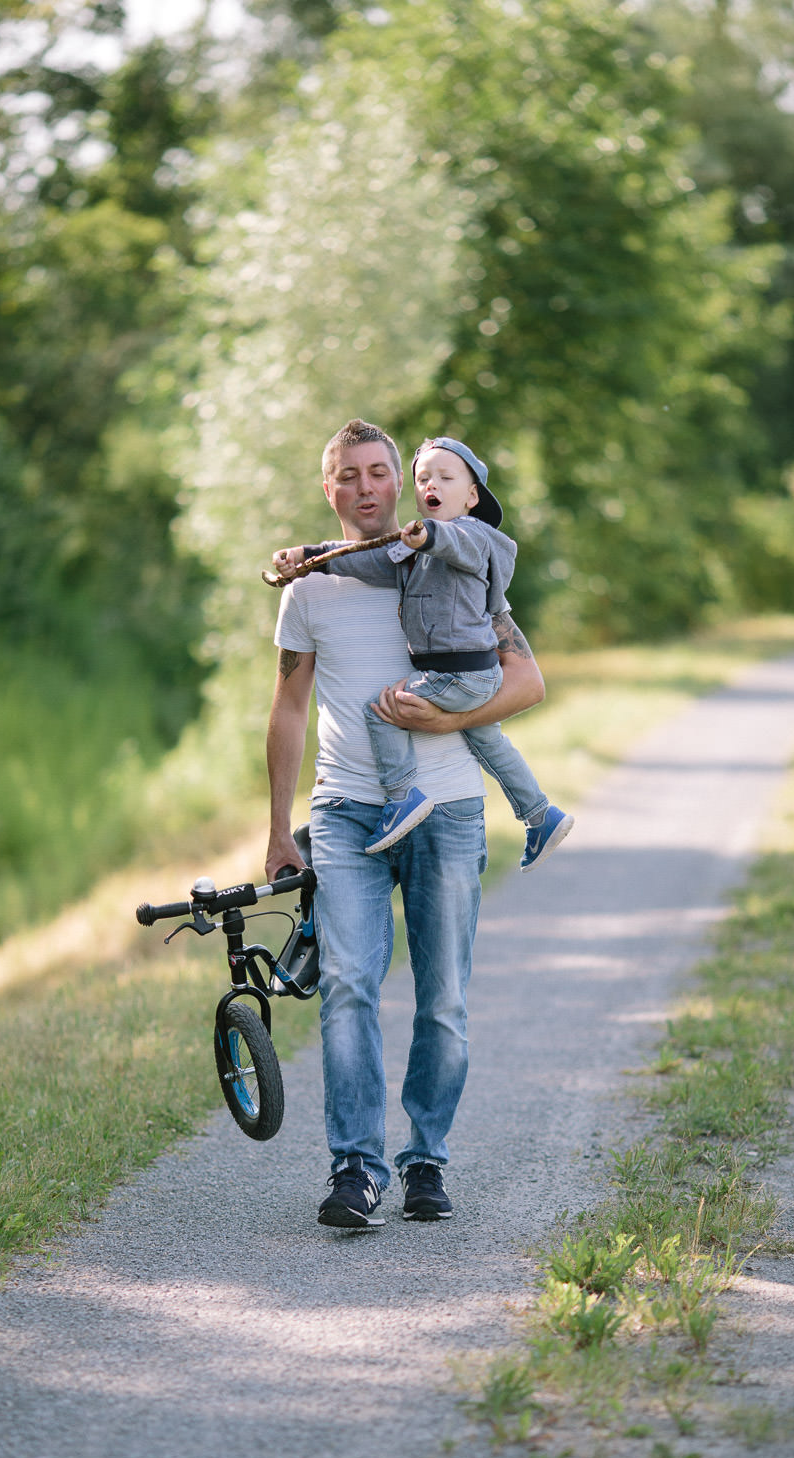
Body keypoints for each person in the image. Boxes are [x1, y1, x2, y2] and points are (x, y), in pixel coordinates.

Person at [265, 418, 546, 1230]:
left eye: (378, 471)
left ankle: (426, 1160)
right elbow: (286, 710)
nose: (364, 487)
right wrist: (280, 829)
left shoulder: (451, 559)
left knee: (443, 999)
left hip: (449, 811)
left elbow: (526, 681)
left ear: (401, 480)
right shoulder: (309, 583)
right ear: (330, 489)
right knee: (348, 982)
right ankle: (356, 1165)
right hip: (348, 813)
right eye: (347, 475)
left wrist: (440, 724)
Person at [274, 435, 573, 869]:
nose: (431, 484)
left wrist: (429, 534)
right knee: (490, 740)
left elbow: (459, 544)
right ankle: (540, 814)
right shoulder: (410, 554)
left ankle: (401, 797)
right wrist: (309, 557)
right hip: (463, 680)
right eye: (425, 478)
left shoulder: (474, 537)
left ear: (472, 496)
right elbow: (368, 562)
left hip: (459, 674)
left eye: (445, 477)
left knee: (385, 709)